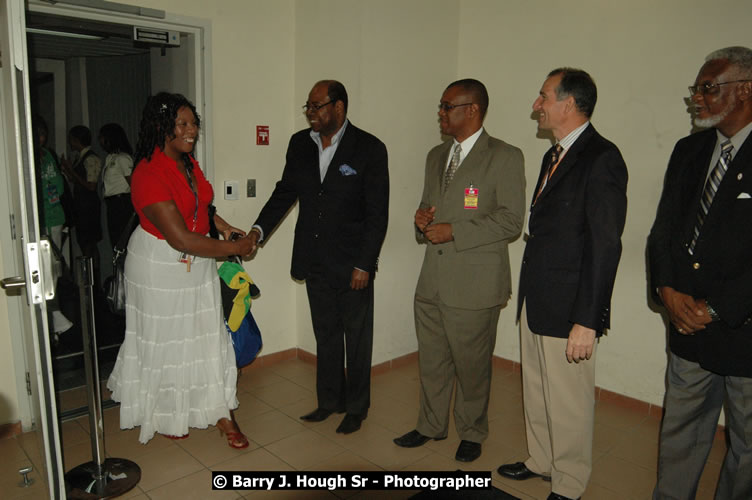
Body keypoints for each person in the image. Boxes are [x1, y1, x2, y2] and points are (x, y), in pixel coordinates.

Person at [497, 68, 628, 500]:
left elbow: (605, 246)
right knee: (536, 390)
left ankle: (569, 482)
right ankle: (541, 460)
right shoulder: (552, 155)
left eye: (543, 97)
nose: (536, 105)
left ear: (568, 104)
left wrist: (587, 321)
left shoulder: (602, 158)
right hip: (538, 297)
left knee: (569, 402)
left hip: (571, 306)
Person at [107, 92, 254, 446]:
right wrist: (235, 248)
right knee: (168, 341)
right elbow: (180, 239)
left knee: (205, 334)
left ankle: (221, 411)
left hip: (195, 263)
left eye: (194, 123)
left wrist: (220, 224)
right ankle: (167, 412)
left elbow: (200, 204)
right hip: (159, 265)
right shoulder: (147, 173)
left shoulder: (188, 162)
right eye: (183, 124)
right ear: (162, 128)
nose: (192, 131)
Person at [393, 79, 526, 463]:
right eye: (441, 105)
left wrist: (455, 231)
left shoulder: (505, 156)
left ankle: (472, 431)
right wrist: (421, 220)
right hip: (432, 279)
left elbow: (511, 221)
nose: (440, 113)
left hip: (475, 283)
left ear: (473, 110)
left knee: (472, 365)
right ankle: (430, 425)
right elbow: (430, 205)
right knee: (432, 360)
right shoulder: (436, 155)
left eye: (447, 106)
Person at [248, 80, 389, 434]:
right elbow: (285, 193)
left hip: (352, 264)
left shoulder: (369, 148)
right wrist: (257, 231)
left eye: (317, 106)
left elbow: (377, 214)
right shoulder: (300, 144)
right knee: (326, 335)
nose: (310, 113)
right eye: (308, 107)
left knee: (356, 339)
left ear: (339, 108)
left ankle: (357, 407)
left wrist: (364, 264)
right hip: (314, 260)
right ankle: (329, 401)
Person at [648, 47, 752, 500]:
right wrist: (667, 292)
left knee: (747, 449)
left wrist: (716, 307)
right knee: (680, 435)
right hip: (686, 324)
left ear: (746, 89)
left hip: (743, 330)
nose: (698, 99)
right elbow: (663, 231)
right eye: (696, 89)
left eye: (708, 89)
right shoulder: (688, 150)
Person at [61, 125, 102, 267]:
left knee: (89, 245)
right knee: (84, 243)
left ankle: (94, 283)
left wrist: (71, 170)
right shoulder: (80, 157)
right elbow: (76, 180)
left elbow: (91, 185)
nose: (70, 143)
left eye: (71, 140)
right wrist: (67, 170)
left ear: (77, 140)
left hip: (88, 207)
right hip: (81, 205)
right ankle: (90, 281)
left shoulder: (91, 158)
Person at [98, 123, 135, 247]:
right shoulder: (110, 158)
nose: (100, 141)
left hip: (122, 204)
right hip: (112, 205)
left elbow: (134, 185)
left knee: (122, 241)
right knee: (115, 241)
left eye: (102, 137)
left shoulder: (123, 158)